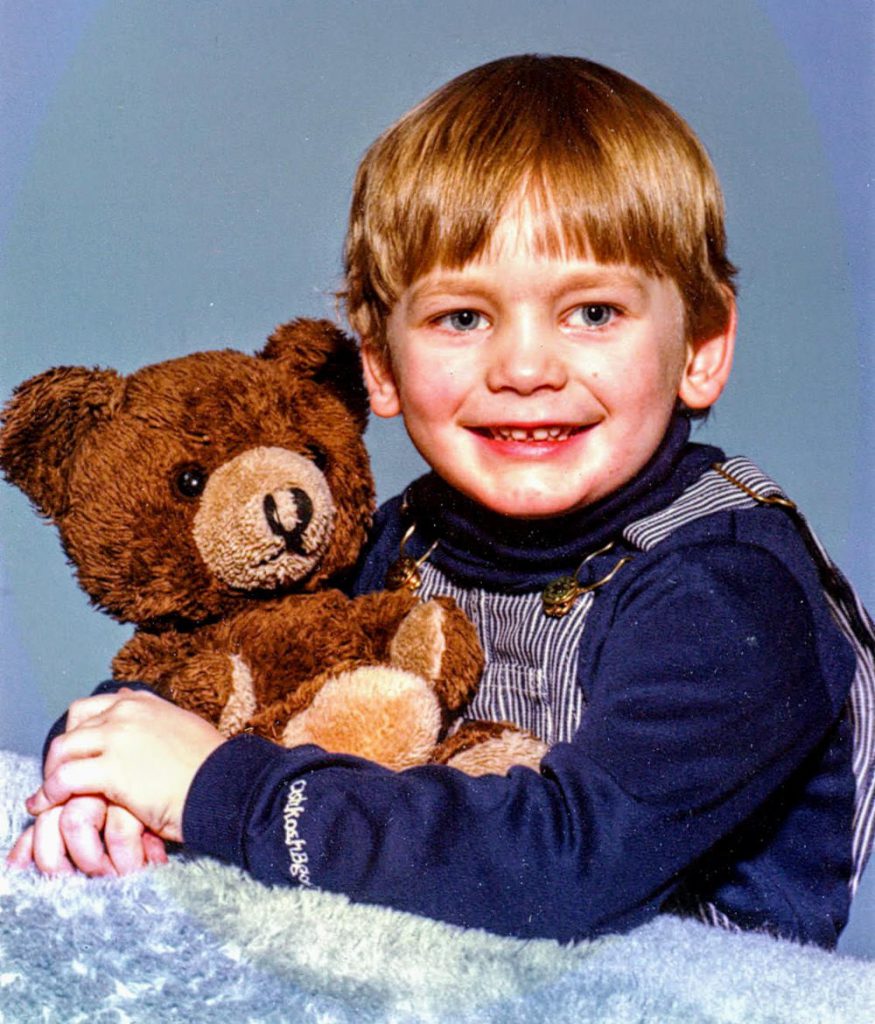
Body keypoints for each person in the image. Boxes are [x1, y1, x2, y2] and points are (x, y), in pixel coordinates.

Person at [10, 54, 872, 948]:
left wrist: (216, 790)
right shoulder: (409, 538)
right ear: (379, 363)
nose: (526, 370)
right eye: (462, 318)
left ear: (700, 346)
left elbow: (561, 869)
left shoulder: (726, 586)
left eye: (593, 313)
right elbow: (220, 667)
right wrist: (107, 777)